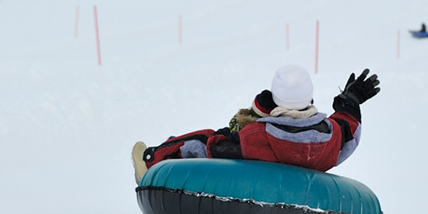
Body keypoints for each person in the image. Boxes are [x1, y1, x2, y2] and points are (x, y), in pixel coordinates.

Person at [132, 66, 380, 183]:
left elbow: (209, 147)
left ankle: (150, 160)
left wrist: (225, 134)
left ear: (275, 99)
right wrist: (350, 103)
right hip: (309, 167)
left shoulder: (257, 136)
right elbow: (348, 127)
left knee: (204, 138)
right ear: (310, 98)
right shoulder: (331, 137)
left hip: (254, 173)